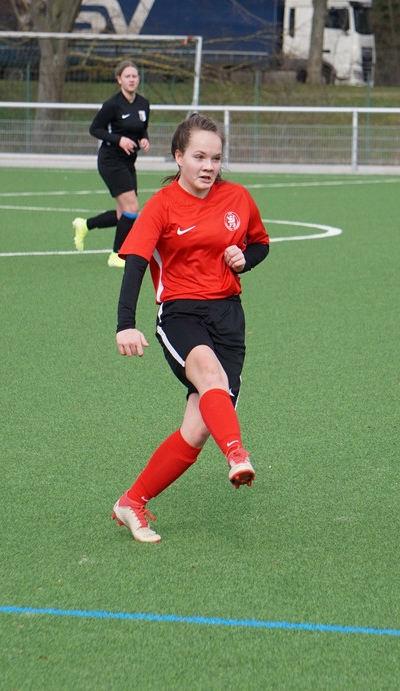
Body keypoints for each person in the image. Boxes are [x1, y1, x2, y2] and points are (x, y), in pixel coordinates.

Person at [111, 113, 271, 543]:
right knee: (210, 376)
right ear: (178, 156)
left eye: (216, 158)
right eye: (199, 156)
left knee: (197, 429)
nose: (208, 166)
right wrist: (125, 324)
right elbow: (136, 263)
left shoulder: (238, 198)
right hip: (181, 313)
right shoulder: (162, 205)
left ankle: (131, 502)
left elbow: (259, 244)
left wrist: (245, 260)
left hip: (229, 316)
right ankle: (236, 453)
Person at [72, 60, 150, 268]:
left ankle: (85, 225)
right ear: (119, 80)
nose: (131, 79)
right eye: (127, 76)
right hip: (110, 160)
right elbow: (95, 129)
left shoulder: (143, 104)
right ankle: (117, 255)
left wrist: (144, 139)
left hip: (128, 162)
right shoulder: (112, 105)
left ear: (139, 79)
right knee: (132, 208)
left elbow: (142, 128)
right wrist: (119, 139)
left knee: (122, 214)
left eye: (134, 76)